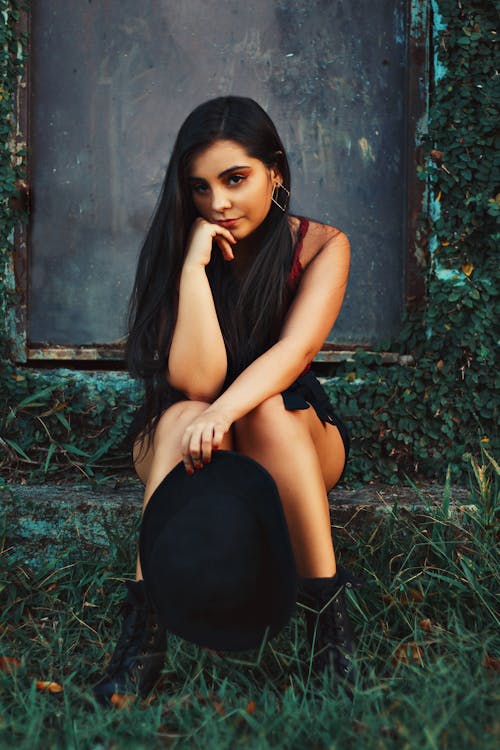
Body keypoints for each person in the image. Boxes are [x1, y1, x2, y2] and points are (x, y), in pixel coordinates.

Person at [93, 96, 360, 704]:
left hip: (289, 431)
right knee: (183, 412)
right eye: (200, 187)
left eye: (235, 179)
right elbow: (197, 384)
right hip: (188, 433)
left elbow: (292, 354)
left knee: (267, 407)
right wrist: (192, 268)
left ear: (276, 172)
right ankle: (143, 642)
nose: (217, 203)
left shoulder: (321, 245)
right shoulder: (181, 243)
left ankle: (330, 630)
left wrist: (226, 412)